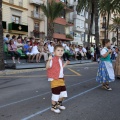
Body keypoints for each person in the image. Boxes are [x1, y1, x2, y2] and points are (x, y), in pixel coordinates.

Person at [46, 45, 70, 114]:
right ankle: (53, 107)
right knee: (55, 95)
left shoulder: (60, 60)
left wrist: (66, 63)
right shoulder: (52, 59)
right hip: (55, 80)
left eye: (61, 50)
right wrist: (49, 60)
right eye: (58, 50)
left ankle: (59, 104)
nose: (60, 52)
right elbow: (47, 67)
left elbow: (61, 67)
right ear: (54, 52)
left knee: (63, 94)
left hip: (61, 79)